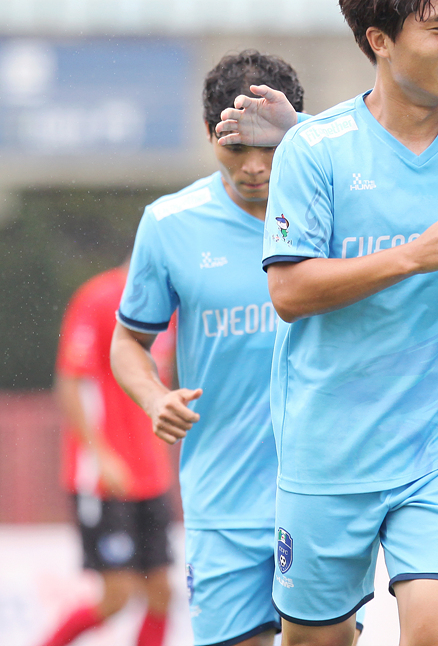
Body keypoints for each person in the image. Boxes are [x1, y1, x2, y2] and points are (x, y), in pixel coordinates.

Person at [250, 0, 438, 646]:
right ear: (380, 41)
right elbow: (290, 291)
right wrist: (412, 257)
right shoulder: (315, 149)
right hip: (330, 453)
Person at [110, 51, 313, 646]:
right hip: (221, 505)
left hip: (320, 497)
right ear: (207, 134)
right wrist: (154, 398)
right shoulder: (170, 223)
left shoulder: (335, 213)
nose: (253, 166)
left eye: (268, 147)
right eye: (235, 147)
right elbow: (128, 342)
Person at [39, 265, 176, 646]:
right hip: (106, 481)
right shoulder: (97, 298)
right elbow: (70, 383)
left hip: (151, 477)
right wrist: (101, 456)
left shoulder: (174, 306)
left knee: (162, 594)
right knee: (117, 596)